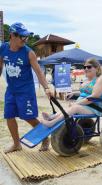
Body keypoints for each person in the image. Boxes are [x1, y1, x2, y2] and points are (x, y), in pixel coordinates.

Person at [0, 22, 53, 153]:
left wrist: (46, 88)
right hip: (11, 90)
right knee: (9, 116)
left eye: (26, 37)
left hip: (26, 90)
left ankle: (45, 138)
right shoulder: (3, 48)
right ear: (12, 35)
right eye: (22, 37)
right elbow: (0, 65)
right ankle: (16, 144)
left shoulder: (29, 53)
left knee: (28, 117)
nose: (25, 39)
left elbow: (39, 72)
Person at [41, 58, 102, 127]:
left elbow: (93, 97)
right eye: (84, 67)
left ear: (97, 68)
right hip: (85, 105)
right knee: (71, 106)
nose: (86, 69)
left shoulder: (101, 79)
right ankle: (52, 117)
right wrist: (74, 94)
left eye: (89, 67)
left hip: (95, 108)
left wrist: (76, 103)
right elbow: (85, 93)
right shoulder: (87, 80)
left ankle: (52, 123)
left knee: (74, 107)